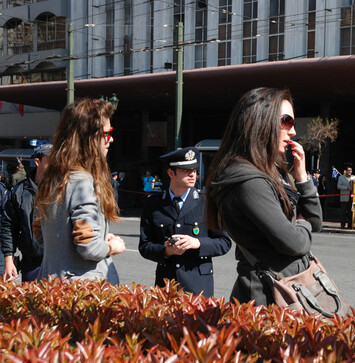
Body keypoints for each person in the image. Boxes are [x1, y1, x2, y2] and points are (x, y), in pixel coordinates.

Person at [204, 87, 322, 306]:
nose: (293, 131)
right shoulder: (248, 179)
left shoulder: (273, 172)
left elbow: (315, 222)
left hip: (286, 287)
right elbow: (295, 243)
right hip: (266, 296)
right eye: (287, 121)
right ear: (260, 121)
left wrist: (302, 177)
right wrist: (301, 223)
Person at [34, 98, 126, 284]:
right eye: (107, 133)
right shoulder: (84, 181)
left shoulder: (53, 178)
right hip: (81, 290)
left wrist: (98, 237)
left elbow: (40, 235)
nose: (111, 139)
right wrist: (110, 246)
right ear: (90, 137)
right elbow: (88, 248)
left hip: (49, 284)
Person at [139, 147, 231, 296]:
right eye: (185, 170)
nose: (192, 174)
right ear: (171, 173)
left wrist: (198, 243)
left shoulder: (207, 202)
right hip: (166, 286)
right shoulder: (154, 204)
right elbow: (145, 246)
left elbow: (224, 243)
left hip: (198, 287)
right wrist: (166, 251)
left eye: (194, 170)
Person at [1, 144, 52, 282]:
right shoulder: (19, 191)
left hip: (59, 263)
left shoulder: (64, 189)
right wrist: (8, 260)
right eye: (51, 159)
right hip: (32, 263)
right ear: (38, 162)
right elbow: (8, 226)